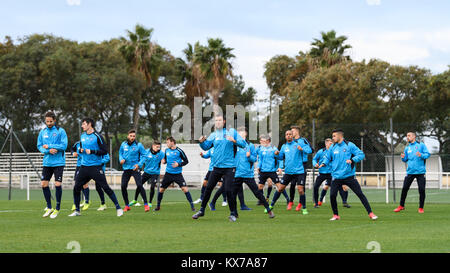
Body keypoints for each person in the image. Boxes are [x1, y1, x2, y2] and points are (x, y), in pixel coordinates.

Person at [192, 114, 247, 222]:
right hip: (216, 167)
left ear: (224, 121)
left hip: (229, 167)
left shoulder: (232, 132)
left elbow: (244, 144)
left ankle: (232, 213)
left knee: (228, 190)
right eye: (216, 120)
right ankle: (202, 210)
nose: (217, 122)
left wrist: (234, 141)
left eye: (219, 120)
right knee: (208, 188)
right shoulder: (213, 134)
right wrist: (201, 142)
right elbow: (206, 147)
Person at [68, 118, 123, 217]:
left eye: (84, 124)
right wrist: (79, 151)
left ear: (90, 125)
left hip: (95, 167)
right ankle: (77, 210)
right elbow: (82, 148)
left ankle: (118, 208)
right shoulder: (83, 136)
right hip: (84, 167)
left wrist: (93, 151)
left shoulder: (98, 136)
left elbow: (105, 151)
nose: (82, 126)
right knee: (76, 187)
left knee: (105, 187)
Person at [319, 129, 377, 221]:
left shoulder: (349, 145)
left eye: (334, 136)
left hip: (349, 176)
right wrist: (323, 163)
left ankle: (370, 213)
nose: (332, 138)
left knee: (360, 194)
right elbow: (327, 157)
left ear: (340, 136)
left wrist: (353, 160)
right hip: (336, 177)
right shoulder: (333, 147)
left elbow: (361, 154)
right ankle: (336, 215)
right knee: (332, 195)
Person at [230, 127, 275, 220]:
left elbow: (254, 159)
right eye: (238, 132)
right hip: (237, 173)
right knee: (232, 194)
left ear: (246, 133)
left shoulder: (250, 145)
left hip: (247, 174)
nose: (239, 134)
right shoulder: (234, 145)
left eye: (241, 132)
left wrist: (249, 156)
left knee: (257, 193)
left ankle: (269, 209)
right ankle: (234, 213)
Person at [268, 130, 310, 215]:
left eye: (290, 134)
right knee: (280, 188)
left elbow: (309, 150)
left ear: (292, 136)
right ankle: (271, 205)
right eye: (287, 134)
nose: (288, 136)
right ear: (285, 136)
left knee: (300, 190)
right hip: (288, 172)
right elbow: (280, 157)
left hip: (299, 171)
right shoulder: (284, 146)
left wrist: (302, 149)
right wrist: (276, 154)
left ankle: (304, 208)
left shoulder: (298, 144)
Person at [37, 111, 68, 219]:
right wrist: (47, 151)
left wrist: (50, 146)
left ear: (54, 120)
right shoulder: (43, 132)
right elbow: (40, 146)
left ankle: (57, 208)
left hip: (59, 162)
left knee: (57, 184)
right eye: (47, 121)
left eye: (50, 121)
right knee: (44, 184)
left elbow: (64, 146)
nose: (49, 123)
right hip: (47, 162)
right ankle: (49, 207)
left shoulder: (61, 131)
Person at [394, 131, 430, 213]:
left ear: (414, 136)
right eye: (407, 136)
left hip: (420, 172)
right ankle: (401, 206)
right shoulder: (407, 147)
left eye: (409, 135)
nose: (407, 137)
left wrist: (421, 155)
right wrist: (403, 158)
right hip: (410, 172)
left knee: (421, 190)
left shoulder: (421, 145)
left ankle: (421, 208)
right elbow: (405, 159)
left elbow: (427, 154)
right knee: (404, 189)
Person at [155, 136, 194, 211]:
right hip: (168, 174)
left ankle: (192, 207)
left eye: (168, 142)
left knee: (185, 189)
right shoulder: (166, 150)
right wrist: (164, 161)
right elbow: (165, 160)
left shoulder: (179, 151)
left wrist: (178, 164)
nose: (167, 144)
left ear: (172, 142)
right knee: (161, 190)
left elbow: (186, 161)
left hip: (177, 174)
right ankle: (158, 207)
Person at [312, 138, 350, 208]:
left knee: (340, 186)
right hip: (322, 173)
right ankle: (316, 203)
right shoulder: (321, 151)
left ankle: (344, 202)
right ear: (326, 144)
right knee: (315, 187)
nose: (332, 145)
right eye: (330, 143)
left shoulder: (335, 151)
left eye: (332, 143)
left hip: (331, 173)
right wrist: (315, 164)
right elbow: (314, 159)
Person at [119, 129, 149, 212]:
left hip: (135, 169)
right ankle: (127, 205)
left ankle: (146, 205)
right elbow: (120, 153)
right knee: (123, 186)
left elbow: (144, 155)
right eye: (131, 136)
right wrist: (121, 159)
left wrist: (139, 165)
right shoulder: (123, 144)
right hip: (126, 169)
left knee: (139, 185)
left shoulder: (138, 145)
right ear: (128, 136)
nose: (132, 137)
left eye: (134, 136)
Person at [130, 140, 164, 208]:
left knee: (152, 186)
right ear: (153, 146)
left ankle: (150, 202)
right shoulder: (146, 152)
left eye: (159, 147)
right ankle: (135, 200)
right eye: (157, 147)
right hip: (146, 172)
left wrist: (164, 161)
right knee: (139, 185)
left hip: (155, 173)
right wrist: (138, 166)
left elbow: (163, 160)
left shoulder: (161, 153)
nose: (158, 148)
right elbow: (142, 160)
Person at [256, 135, 289, 205]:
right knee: (260, 187)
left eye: (264, 141)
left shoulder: (274, 149)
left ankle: (288, 199)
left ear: (268, 141)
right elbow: (260, 160)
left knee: (279, 186)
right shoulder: (261, 149)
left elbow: (280, 159)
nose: (263, 142)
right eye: (262, 141)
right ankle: (262, 201)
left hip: (272, 171)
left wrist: (280, 167)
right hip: (263, 171)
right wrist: (258, 167)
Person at [289, 125, 313, 212]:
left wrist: (302, 149)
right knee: (292, 184)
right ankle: (291, 201)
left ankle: (300, 203)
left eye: (293, 131)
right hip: (293, 165)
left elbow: (311, 150)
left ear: (297, 132)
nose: (291, 133)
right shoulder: (290, 142)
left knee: (301, 186)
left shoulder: (303, 140)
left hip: (302, 165)